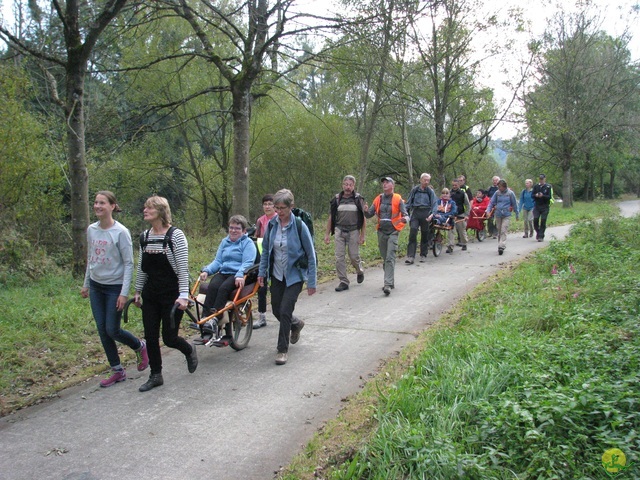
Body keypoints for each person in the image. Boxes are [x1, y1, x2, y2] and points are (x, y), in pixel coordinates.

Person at [81, 191, 148, 388]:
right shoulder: (91, 230)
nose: (97, 206)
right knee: (102, 330)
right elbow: (91, 258)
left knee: (112, 329)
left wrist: (123, 293)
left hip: (114, 288)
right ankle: (117, 370)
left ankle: (139, 345)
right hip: (96, 285)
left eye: (102, 203)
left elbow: (129, 263)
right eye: (95, 202)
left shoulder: (121, 232)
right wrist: (86, 284)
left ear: (112, 206)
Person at [134, 196, 197, 392]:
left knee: (169, 338)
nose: (145, 210)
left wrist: (184, 295)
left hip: (173, 294)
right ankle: (156, 375)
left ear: (161, 211)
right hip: (151, 293)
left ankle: (188, 350)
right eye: (145, 207)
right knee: (150, 336)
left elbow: (182, 268)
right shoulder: (144, 236)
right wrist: (137, 291)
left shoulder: (175, 236)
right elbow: (142, 268)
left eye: (150, 207)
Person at [258, 189, 317, 365]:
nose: (278, 212)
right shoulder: (272, 225)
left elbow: (311, 255)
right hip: (277, 274)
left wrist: (311, 282)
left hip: (295, 275)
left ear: (291, 207)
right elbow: (266, 251)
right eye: (276, 207)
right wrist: (262, 273)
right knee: (276, 309)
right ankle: (296, 324)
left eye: (282, 208)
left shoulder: (300, 226)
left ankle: (282, 350)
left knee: (284, 310)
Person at [196, 215, 257, 345]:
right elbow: (218, 261)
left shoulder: (248, 244)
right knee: (213, 286)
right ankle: (206, 319)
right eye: (231, 228)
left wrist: (240, 274)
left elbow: (248, 262)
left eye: (237, 228)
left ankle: (215, 319)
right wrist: (207, 270)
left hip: (238, 274)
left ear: (244, 231)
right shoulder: (225, 242)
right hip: (224, 272)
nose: (233, 231)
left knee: (224, 288)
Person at [364, 177, 409, 296]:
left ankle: (387, 284)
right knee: (385, 258)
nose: (384, 184)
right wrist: (365, 210)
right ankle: (390, 280)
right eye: (383, 183)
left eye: (387, 182)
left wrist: (405, 219)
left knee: (390, 257)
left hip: (393, 231)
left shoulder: (398, 198)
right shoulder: (378, 198)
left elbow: (406, 214)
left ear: (392, 185)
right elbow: (369, 215)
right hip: (381, 231)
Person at [324, 175, 367, 291]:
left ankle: (359, 270)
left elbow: (363, 219)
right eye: (346, 184)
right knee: (339, 257)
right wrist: (327, 234)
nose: (348, 187)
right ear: (342, 185)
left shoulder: (359, 199)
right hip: (339, 230)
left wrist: (362, 235)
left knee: (354, 256)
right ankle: (343, 281)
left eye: (350, 185)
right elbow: (331, 217)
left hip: (354, 231)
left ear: (354, 186)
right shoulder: (336, 199)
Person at [253, 195, 276, 328]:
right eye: (265, 204)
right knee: (261, 286)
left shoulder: (278, 219)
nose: (267, 207)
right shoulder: (260, 221)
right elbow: (258, 238)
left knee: (276, 287)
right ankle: (262, 316)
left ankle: (281, 312)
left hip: (277, 256)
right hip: (263, 256)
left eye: (270, 204)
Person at [405, 173, 437, 264]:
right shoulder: (415, 190)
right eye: (425, 180)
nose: (426, 182)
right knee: (413, 232)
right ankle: (410, 256)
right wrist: (406, 214)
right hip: (416, 212)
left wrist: (432, 215)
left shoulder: (430, 191)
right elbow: (408, 202)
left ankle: (423, 254)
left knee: (425, 234)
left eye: (428, 180)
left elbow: (434, 204)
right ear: (420, 180)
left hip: (426, 213)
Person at [487, 179, 519, 255]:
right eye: (498, 186)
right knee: (499, 229)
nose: (499, 188)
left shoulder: (510, 193)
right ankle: (500, 244)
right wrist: (488, 211)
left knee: (503, 230)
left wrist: (517, 214)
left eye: (500, 187)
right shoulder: (497, 193)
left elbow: (514, 204)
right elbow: (491, 202)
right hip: (498, 214)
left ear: (504, 186)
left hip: (506, 214)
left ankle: (502, 246)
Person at [448, 178, 470, 253]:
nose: (454, 186)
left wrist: (467, 214)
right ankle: (450, 246)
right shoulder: (449, 193)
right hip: (452, 215)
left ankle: (464, 243)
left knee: (462, 230)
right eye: (453, 185)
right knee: (451, 230)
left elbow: (467, 204)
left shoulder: (463, 193)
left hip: (461, 214)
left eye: (456, 185)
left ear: (458, 185)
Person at [532, 173, 553, 242]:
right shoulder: (536, 186)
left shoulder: (548, 187)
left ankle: (541, 235)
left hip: (545, 206)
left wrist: (542, 195)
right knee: (535, 220)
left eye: (542, 179)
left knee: (543, 221)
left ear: (544, 179)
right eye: (540, 179)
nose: (541, 180)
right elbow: (532, 195)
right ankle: (538, 232)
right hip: (537, 206)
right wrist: (536, 195)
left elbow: (549, 197)